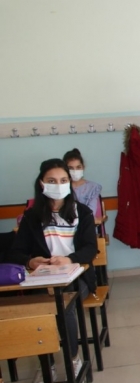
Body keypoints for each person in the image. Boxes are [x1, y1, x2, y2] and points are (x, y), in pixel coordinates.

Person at [3, 159, 97, 382]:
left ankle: (73, 358)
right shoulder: (31, 217)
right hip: (42, 280)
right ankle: (47, 362)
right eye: (52, 181)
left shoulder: (82, 213)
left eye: (63, 180)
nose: (58, 185)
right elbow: (16, 252)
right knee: (37, 309)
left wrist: (69, 259)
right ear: (42, 183)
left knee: (64, 306)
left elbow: (90, 248)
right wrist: (30, 262)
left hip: (76, 277)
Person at [63, 148, 103, 217]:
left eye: (78, 167)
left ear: (83, 167)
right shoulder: (61, 187)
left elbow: (91, 212)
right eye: (70, 168)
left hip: (86, 222)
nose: (75, 171)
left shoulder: (93, 188)